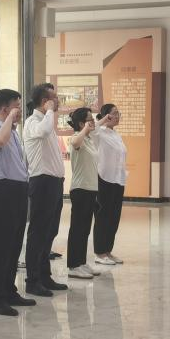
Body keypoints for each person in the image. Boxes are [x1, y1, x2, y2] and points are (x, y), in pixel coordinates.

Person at [0, 89, 36, 317]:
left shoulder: (12, 132)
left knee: (14, 244)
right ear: (5, 109)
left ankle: (9, 290)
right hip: (2, 190)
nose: (20, 112)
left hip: (17, 190)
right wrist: (9, 120)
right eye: (17, 107)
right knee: (1, 246)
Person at [22, 83, 68, 297]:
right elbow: (44, 131)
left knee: (50, 231)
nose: (58, 101)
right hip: (42, 182)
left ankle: (44, 276)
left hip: (54, 183)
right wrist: (49, 111)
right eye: (54, 98)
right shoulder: (33, 122)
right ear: (44, 101)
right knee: (38, 232)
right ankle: (32, 280)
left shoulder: (46, 121)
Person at [64, 107, 113, 279]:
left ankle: (81, 262)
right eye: (89, 119)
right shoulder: (77, 137)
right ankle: (73, 266)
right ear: (81, 123)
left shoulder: (89, 139)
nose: (93, 122)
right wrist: (85, 128)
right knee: (77, 229)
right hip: (80, 190)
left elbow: (95, 126)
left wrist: (103, 120)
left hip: (91, 190)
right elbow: (75, 143)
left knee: (84, 230)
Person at [92, 103, 128, 266]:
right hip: (104, 179)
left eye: (119, 113)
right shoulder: (99, 132)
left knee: (114, 217)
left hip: (118, 180)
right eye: (114, 113)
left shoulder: (116, 135)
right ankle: (99, 253)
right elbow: (91, 130)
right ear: (106, 115)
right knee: (103, 217)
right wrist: (103, 120)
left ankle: (107, 251)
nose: (118, 116)